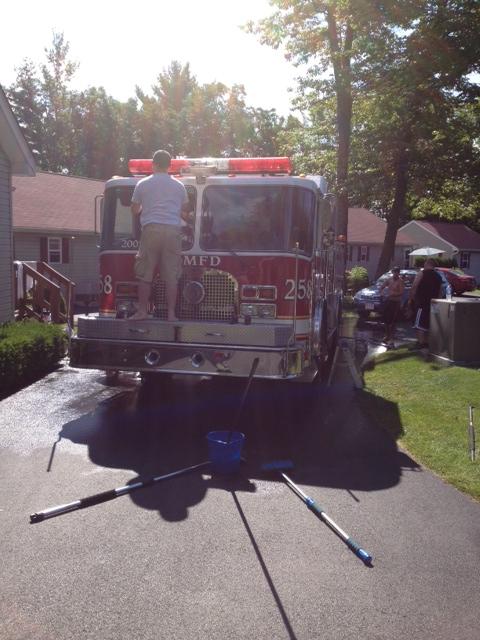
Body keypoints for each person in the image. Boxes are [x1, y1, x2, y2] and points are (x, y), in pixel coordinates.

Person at [130, 149, 191, 321]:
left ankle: (142, 312)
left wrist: (144, 209)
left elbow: (135, 209)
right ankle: (171, 315)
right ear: (169, 166)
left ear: (153, 164)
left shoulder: (143, 184)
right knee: (172, 276)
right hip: (173, 231)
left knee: (145, 274)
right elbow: (185, 212)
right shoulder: (179, 186)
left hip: (151, 230)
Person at [408, 258, 443, 349]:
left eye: (425, 263)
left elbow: (414, 286)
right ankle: (426, 342)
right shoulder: (438, 276)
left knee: (418, 324)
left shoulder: (422, 273)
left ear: (427, 264)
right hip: (433, 303)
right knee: (428, 324)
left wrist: (411, 299)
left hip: (422, 303)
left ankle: (421, 343)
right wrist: (437, 302)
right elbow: (440, 291)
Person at [379, 266, 405, 348]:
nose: (395, 274)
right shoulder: (389, 279)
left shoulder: (400, 281)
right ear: (393, 272)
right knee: (386, 320)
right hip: (389, 301)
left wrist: (393, 294)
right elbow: (382, 286)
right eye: (394, 272)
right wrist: (381, 292)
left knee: (393, 322)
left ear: (399, 273)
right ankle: (387, 336)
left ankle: (391, 339)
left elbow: (401, 292)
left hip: (396, 302)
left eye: (397, 272)